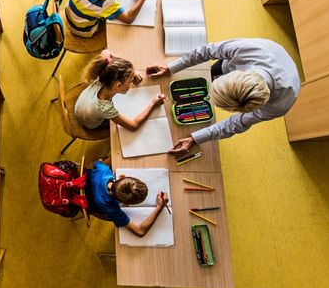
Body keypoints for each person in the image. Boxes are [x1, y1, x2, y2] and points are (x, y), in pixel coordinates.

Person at [145, 38, 301, 154]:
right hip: (263, 52)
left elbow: (238, 123)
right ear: (237, 72)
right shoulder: (247, 50)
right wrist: (171, 67)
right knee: (215, 69)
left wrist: (196, 138)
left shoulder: (280, 105)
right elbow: (206, 51)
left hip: (279, 75)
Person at [75, 50, 165, 130]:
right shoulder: (105, 108)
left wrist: (131, 72)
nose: (132, 82)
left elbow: (106, 52)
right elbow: (133, 125)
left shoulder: (104, 74)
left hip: (80, 107)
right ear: (118, 85)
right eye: (130, 81)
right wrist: (153, 104)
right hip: (89, 123)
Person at [85, 160, 168, 236]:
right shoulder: (112, 209)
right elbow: (140, 231)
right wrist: (159, 207)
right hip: (88, 205)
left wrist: (100, 162)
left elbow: (97, 162)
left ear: (122, 177)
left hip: (79, 185)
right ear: (125, 203)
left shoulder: (105, 171)